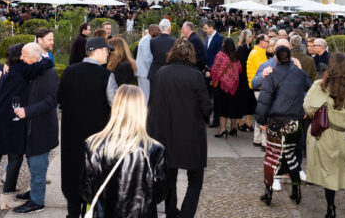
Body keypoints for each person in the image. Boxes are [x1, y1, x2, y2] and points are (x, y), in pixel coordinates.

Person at [0, 42, 53, 210]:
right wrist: (42, 55)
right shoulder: (23, 69)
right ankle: (7, 197)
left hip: (0, 114)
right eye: (23, 54)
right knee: (15, 155)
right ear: (19, 56)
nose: (25, 57)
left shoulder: (10, 70)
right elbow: (47, 63)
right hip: (13, 116)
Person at [147, 39, 212, 218]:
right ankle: (185, 214)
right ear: (191, 54)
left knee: (170, 177)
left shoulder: (161, 73)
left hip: (164, 133)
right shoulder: (196, 75)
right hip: (190, 134)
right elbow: (206, 107)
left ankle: (171, 212)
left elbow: (152, 102)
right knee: (195, 180)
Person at [81, 85, 168, 217]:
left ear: (116, 107)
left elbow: (86, 190)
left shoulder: (95, 145)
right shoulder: (153, 149)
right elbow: (161, 192)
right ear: (142, 110)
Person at [303, 53, 345, 218]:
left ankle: (331, 210)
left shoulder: (321, 87)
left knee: (329, 172)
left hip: (328, 135)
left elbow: (308, 107)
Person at [58, 36, 114, 218]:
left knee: (72, 173)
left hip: (71, 137)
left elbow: (60, 99)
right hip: (96, 139)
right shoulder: (106, 76)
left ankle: (73, 213)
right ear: (97, 51)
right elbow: (116, 105)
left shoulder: (68, 71)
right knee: (94, 177)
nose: (108, 54)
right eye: (106, 50)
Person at [255, 44, 312, 206]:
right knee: (291, 155)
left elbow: (264, 100)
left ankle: (268, 192)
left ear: (276, 57)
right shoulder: (300, 74)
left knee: (271, 157)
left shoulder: (271, 75)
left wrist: (261, 121)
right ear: (290, 57)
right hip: (295, 122)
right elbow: (312, 88)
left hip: (276, 122)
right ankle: (296, 190)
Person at [13, 42, 59, 214]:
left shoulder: (49, 74)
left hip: (42, 128)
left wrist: (27, 111)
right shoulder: (34, 70)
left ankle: (37, 201)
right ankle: (34, 191)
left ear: (34, 57)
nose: (21, 58)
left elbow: (50, 102)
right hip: (33, 126)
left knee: (38, 165)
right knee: (33, 162)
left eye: (24, 56)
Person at [210, 37, 242, 138]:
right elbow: (240, 70)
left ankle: (223, 129)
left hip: (222, 87)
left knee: (222, 107)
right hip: (234, 86)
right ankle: (233, 128)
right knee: (232, 107)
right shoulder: (236, 56)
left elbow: (214, 69)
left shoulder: (220, 55)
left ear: (224, 44)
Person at [247, 34, 270, 148]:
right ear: (261, 42)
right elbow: (263, 71)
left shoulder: (259, 53)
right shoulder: (257, 54)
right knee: (263, 114)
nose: (268, 43)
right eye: (267, 41)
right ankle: (262, 141)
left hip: (259, 87)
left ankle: (257, 139)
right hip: (259, 87)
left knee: (260, 113)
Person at [234, 29, 257, 131]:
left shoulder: (249, 48)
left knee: (249, 100)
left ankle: (247, 121)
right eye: (251, 36)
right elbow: (241, 65)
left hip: (248, 77)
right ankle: (240, 122)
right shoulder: (241, 49)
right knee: (242, 100)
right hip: (242, 78)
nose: (252, 38)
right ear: (248, 37)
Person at [202, 19, 223, 128]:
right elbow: (206, 55)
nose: (204, 30)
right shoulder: (206, 38)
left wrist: (211, 71)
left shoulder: (220, 38)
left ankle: (216, 119)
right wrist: (205, 68)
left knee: (216, 97)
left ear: (211, 27)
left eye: (206, 28)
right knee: (206, 95)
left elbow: (218, 57)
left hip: (215, 73)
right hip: (207, 71)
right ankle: (206, 117)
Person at [135, 24, 159, 103]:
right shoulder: (147, 40)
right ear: (151, 30)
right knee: (145, 97)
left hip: (144, 72)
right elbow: (147, 59)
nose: (159, 32)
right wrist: (152, 72)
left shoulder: (147, 39)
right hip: (144, 73)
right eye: (157, 30)